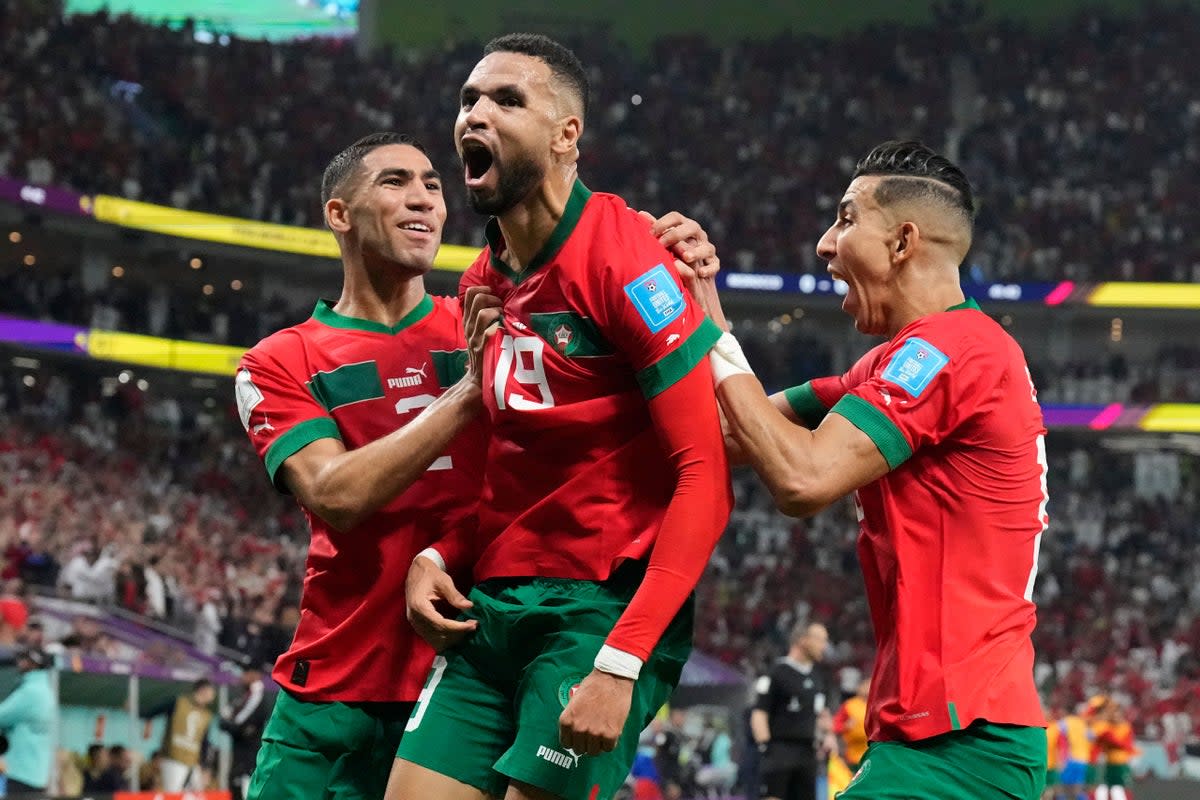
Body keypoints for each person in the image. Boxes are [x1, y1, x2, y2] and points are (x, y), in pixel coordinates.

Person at [237, 131, 715, 800]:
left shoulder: (497, 319)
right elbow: (333, 494)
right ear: (339, 214)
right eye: (396, 182)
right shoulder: (281, 360)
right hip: (335, 693)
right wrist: (469, 392)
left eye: (433, 184)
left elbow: (613, 418)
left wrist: (675, 267)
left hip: (476, 668)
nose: (424, 199)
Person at [392, 32, 732, 800]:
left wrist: (622, 661)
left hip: (596, 613)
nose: (476, 114)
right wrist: (439, 558)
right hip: (493, 611)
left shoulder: (629, 260)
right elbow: (511, 462)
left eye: (507, 100)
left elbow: (706, 476)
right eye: (468, 100)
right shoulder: (480, 282)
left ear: (566, 135)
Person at [687, 140, 1049, 800]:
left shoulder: (950, 352)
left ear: (903, 241)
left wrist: (714, 333)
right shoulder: (897, 363)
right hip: (943, 736)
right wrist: (675, 310)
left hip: (960, 743)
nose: (826, 244)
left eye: (847, 219)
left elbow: (802, 479)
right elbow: (735, 434)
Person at [751, 623, 831, 800]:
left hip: (808, 753)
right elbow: (759, 713)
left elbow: (821, 713)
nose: (824, 646)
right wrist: (766, 748)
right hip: (780, 749)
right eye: (820, 640)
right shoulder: (776, 672)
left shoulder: (817, 677)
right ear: (802, 640)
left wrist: (828, 735)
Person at [142, 677, 216, 791]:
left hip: (193, 761)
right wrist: (148, 724)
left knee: (197, 793)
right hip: (173, 757)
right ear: (202, 690)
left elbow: (204, 742)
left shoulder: (206, 715)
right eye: (211, 691)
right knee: (173, 792)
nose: (213, 695)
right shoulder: (178, 702)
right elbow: (153, 711)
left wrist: (204, 766)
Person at [0, 647, 55, 796]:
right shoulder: (45, 690)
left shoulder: (31, 691)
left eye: (24, 659)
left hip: (21, 773)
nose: (19, 663)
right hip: (37, 774)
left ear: (33, 664)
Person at [219, 665, 268, 800]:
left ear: (256, 674)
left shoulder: (257, 696)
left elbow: (240, 726)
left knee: (244, 791)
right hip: (241, 757)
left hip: (248, 759)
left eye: (246, 672)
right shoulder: (244, 695)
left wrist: (227, 724)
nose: (242, 676)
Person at [832, 678, 870, 773]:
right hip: (853, 755)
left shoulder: (878, 705)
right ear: (859, 687)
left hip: (872, 752)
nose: (868, 688)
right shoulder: (849, 705)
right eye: (866, 684)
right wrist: (846, 726)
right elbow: (835, 725)